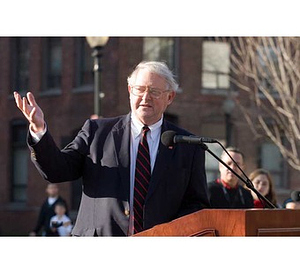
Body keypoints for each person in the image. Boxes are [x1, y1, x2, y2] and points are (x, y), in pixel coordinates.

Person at [14, 61, 210, 236]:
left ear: (170, 97)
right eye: (139, 89)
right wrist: (38, 130)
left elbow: (196, 205)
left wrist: (169, 233)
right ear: (129, 90)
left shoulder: (188, 145)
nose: (145, 97)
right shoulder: (97, 132)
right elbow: (57, 170)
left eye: (154, 92)